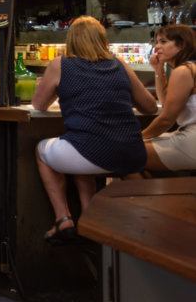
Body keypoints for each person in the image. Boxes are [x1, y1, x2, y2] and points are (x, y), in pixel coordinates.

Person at [31, 16, 157, 243]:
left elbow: (38, 105)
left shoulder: (60, 64)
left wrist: (57, 89)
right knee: (79, 148)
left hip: (90, 151)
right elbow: (149, 107)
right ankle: (90, 220)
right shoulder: (120, 64)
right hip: (132, 154)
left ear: (71, 39)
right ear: (102, 39)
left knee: (42, 150)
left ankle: (63, 219)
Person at [140, 24, 196, 172]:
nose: (157, 47)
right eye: (157, 41)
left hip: (193, 139)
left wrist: (139, 137)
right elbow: (165, 102)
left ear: (182, 44)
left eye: (163, 42)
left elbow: (166, 119)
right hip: (189, 134)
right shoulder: (189, 67)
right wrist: (158, 70)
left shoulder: (184, 71)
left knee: (125, 153)